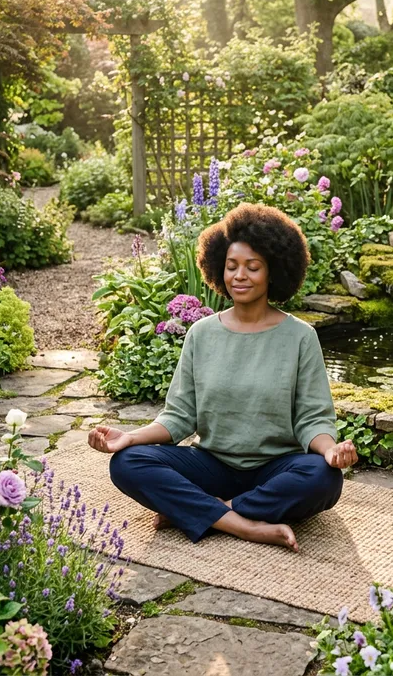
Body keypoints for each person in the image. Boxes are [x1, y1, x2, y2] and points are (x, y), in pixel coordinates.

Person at [88, 202, 357, 551]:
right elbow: (179, 416)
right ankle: (247, 525)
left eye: (252, 267)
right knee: (127, 462)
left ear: (274, 271)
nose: (239, 276)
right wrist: (130, 438)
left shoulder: (300, 337)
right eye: (231, 267)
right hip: (212, 464)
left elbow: (312, 419)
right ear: (219, 268)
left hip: (275, 468)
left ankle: (207, 511)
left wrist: (331, 450)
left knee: (324, 478)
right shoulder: (201, 333)